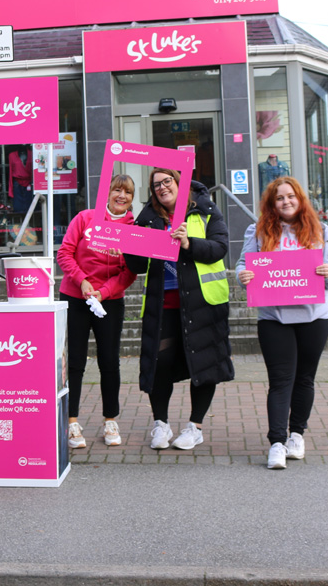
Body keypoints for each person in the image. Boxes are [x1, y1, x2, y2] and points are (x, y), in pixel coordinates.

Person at [236, 176, 328, 470]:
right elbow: (244, 264)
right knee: (280, 381)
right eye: (279, 198)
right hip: (274, 317)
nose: (286, 202)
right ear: (272, 204)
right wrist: (242, 276)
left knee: (305, 378)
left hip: (315, 316)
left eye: (290, 196)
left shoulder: (321, 230)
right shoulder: (257, 231)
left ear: (300, 199)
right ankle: (276, 443)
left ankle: (297, 434)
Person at [124, 168, 232, 451]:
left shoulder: (205, 210)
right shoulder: (146, 220)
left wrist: (188, 243)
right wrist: (127, 246)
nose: (161, 188)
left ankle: (195, 427)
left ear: (178, 182)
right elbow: (135, 266)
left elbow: (220, 248)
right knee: (159, 365)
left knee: (204, 363)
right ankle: (161, 424)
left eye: (167, 181)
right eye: (156, 184)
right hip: (164, 304)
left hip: (202, 302)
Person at [56, 174, 137, 448]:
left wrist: (104, 292)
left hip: (110, 300)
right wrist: (83, 281)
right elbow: (64, 253)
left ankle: (110, 419)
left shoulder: (133, 229)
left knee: (109, 362)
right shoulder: (85, 218)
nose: (121, 196)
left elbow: (130, 272)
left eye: (127, 192)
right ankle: (72, 423)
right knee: (76, 361)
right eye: (117, 190)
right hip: (76, 295)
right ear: (108, 192)